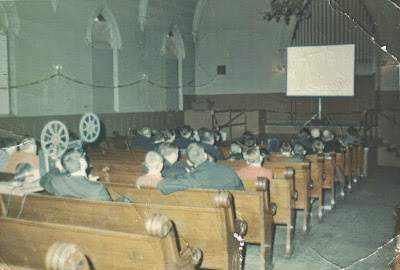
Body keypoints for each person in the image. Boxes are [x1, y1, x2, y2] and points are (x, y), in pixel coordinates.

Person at [157, 143, 244, 195]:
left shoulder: (192, 178)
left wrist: (186, 174)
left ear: (189, 162)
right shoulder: (228, 170)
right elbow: (242, 191)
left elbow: (162, 186)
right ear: (205, 156)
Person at [40, 149, 112, 201]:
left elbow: (43, 181)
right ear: (82, 162)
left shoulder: (57, 182)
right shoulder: (98, 189)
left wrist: (57, 168)